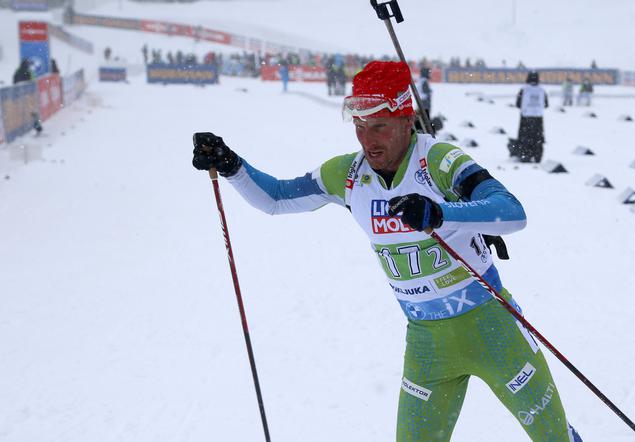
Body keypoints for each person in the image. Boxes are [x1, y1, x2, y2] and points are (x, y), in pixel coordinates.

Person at [191, 60, 582, 442]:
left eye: (378, 126)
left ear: (406, 121)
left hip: (493, 328)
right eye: (359, 126)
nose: (367, 139)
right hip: (427, 345)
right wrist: (231, 165)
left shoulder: (440, 160)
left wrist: (440, 212)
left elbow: (512, 213)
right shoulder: (347, 174)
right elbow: (276, 199)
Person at [513, 70, 548, 163]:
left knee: (525, 137)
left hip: (526, 118)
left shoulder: (524, 89)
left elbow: (518, 104)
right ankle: (537, 156)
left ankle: (525, 155)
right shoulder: (541, 90)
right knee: (538, 138)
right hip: (538, 118)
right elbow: (546, 104)